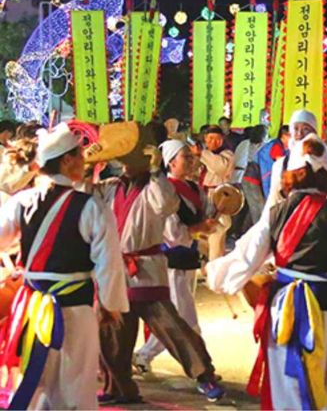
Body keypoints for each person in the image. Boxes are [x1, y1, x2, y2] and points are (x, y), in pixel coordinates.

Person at [206, 137, 327, 409]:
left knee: (288, 384)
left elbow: (246, 257)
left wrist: (218, 275)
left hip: (285, 312)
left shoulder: (276, 213)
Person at [0, 122, 128, 409]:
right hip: (75, 310)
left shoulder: (22, 201)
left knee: (35, 381)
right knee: (76, 383)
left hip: (32, 309)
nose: (85, 161)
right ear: (67, 160)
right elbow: (108, 261)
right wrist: (110, 304)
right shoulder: (91, 206)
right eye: (80, 156)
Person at [93, 141, 224, 404]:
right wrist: (92, 165)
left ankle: (203, 375)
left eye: (134, 159)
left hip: (147, 268)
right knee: (113, 334)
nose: (128, 164)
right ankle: (119, 388)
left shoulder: (155, 186)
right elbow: (83, 195)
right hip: (117, 269)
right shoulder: (111, 187)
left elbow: (166, 204)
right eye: (125, 159)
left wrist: (155, 171)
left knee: (172, 326)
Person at [133, 139, 217, 375]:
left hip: (188, 257)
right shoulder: (165, 191)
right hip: (172, 260)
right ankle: (203, 368)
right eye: (185, 158)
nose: (191, 161)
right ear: (170, 163)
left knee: (177, 315)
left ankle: (144, 354)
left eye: (191, 157)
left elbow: (200, 216)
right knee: (186, 318)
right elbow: (170, 232)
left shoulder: (194, 188)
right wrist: (197, 229)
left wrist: (207, 224)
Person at [265, 110, 327, 211]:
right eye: (295, 128)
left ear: (314, 133)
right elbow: (273, 201)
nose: (299, 133)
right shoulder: (280, 165)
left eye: (306, 129)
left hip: (321, 220)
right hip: (291, 221)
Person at [197, 125, 235, 192]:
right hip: (201, 190)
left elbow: (220, 168)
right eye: (211, 138)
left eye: (217, 139)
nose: (213, 142)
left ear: (222, 139)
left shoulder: (227, 153)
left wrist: (201, 153)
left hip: (218, 192)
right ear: (205, 138)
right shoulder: (204, 152)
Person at [256, 125, 290, 197]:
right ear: (284, 137)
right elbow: (281, 163)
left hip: (266, 178)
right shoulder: (276, 146)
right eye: (290, 136)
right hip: (259, 177)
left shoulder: (285, 147)